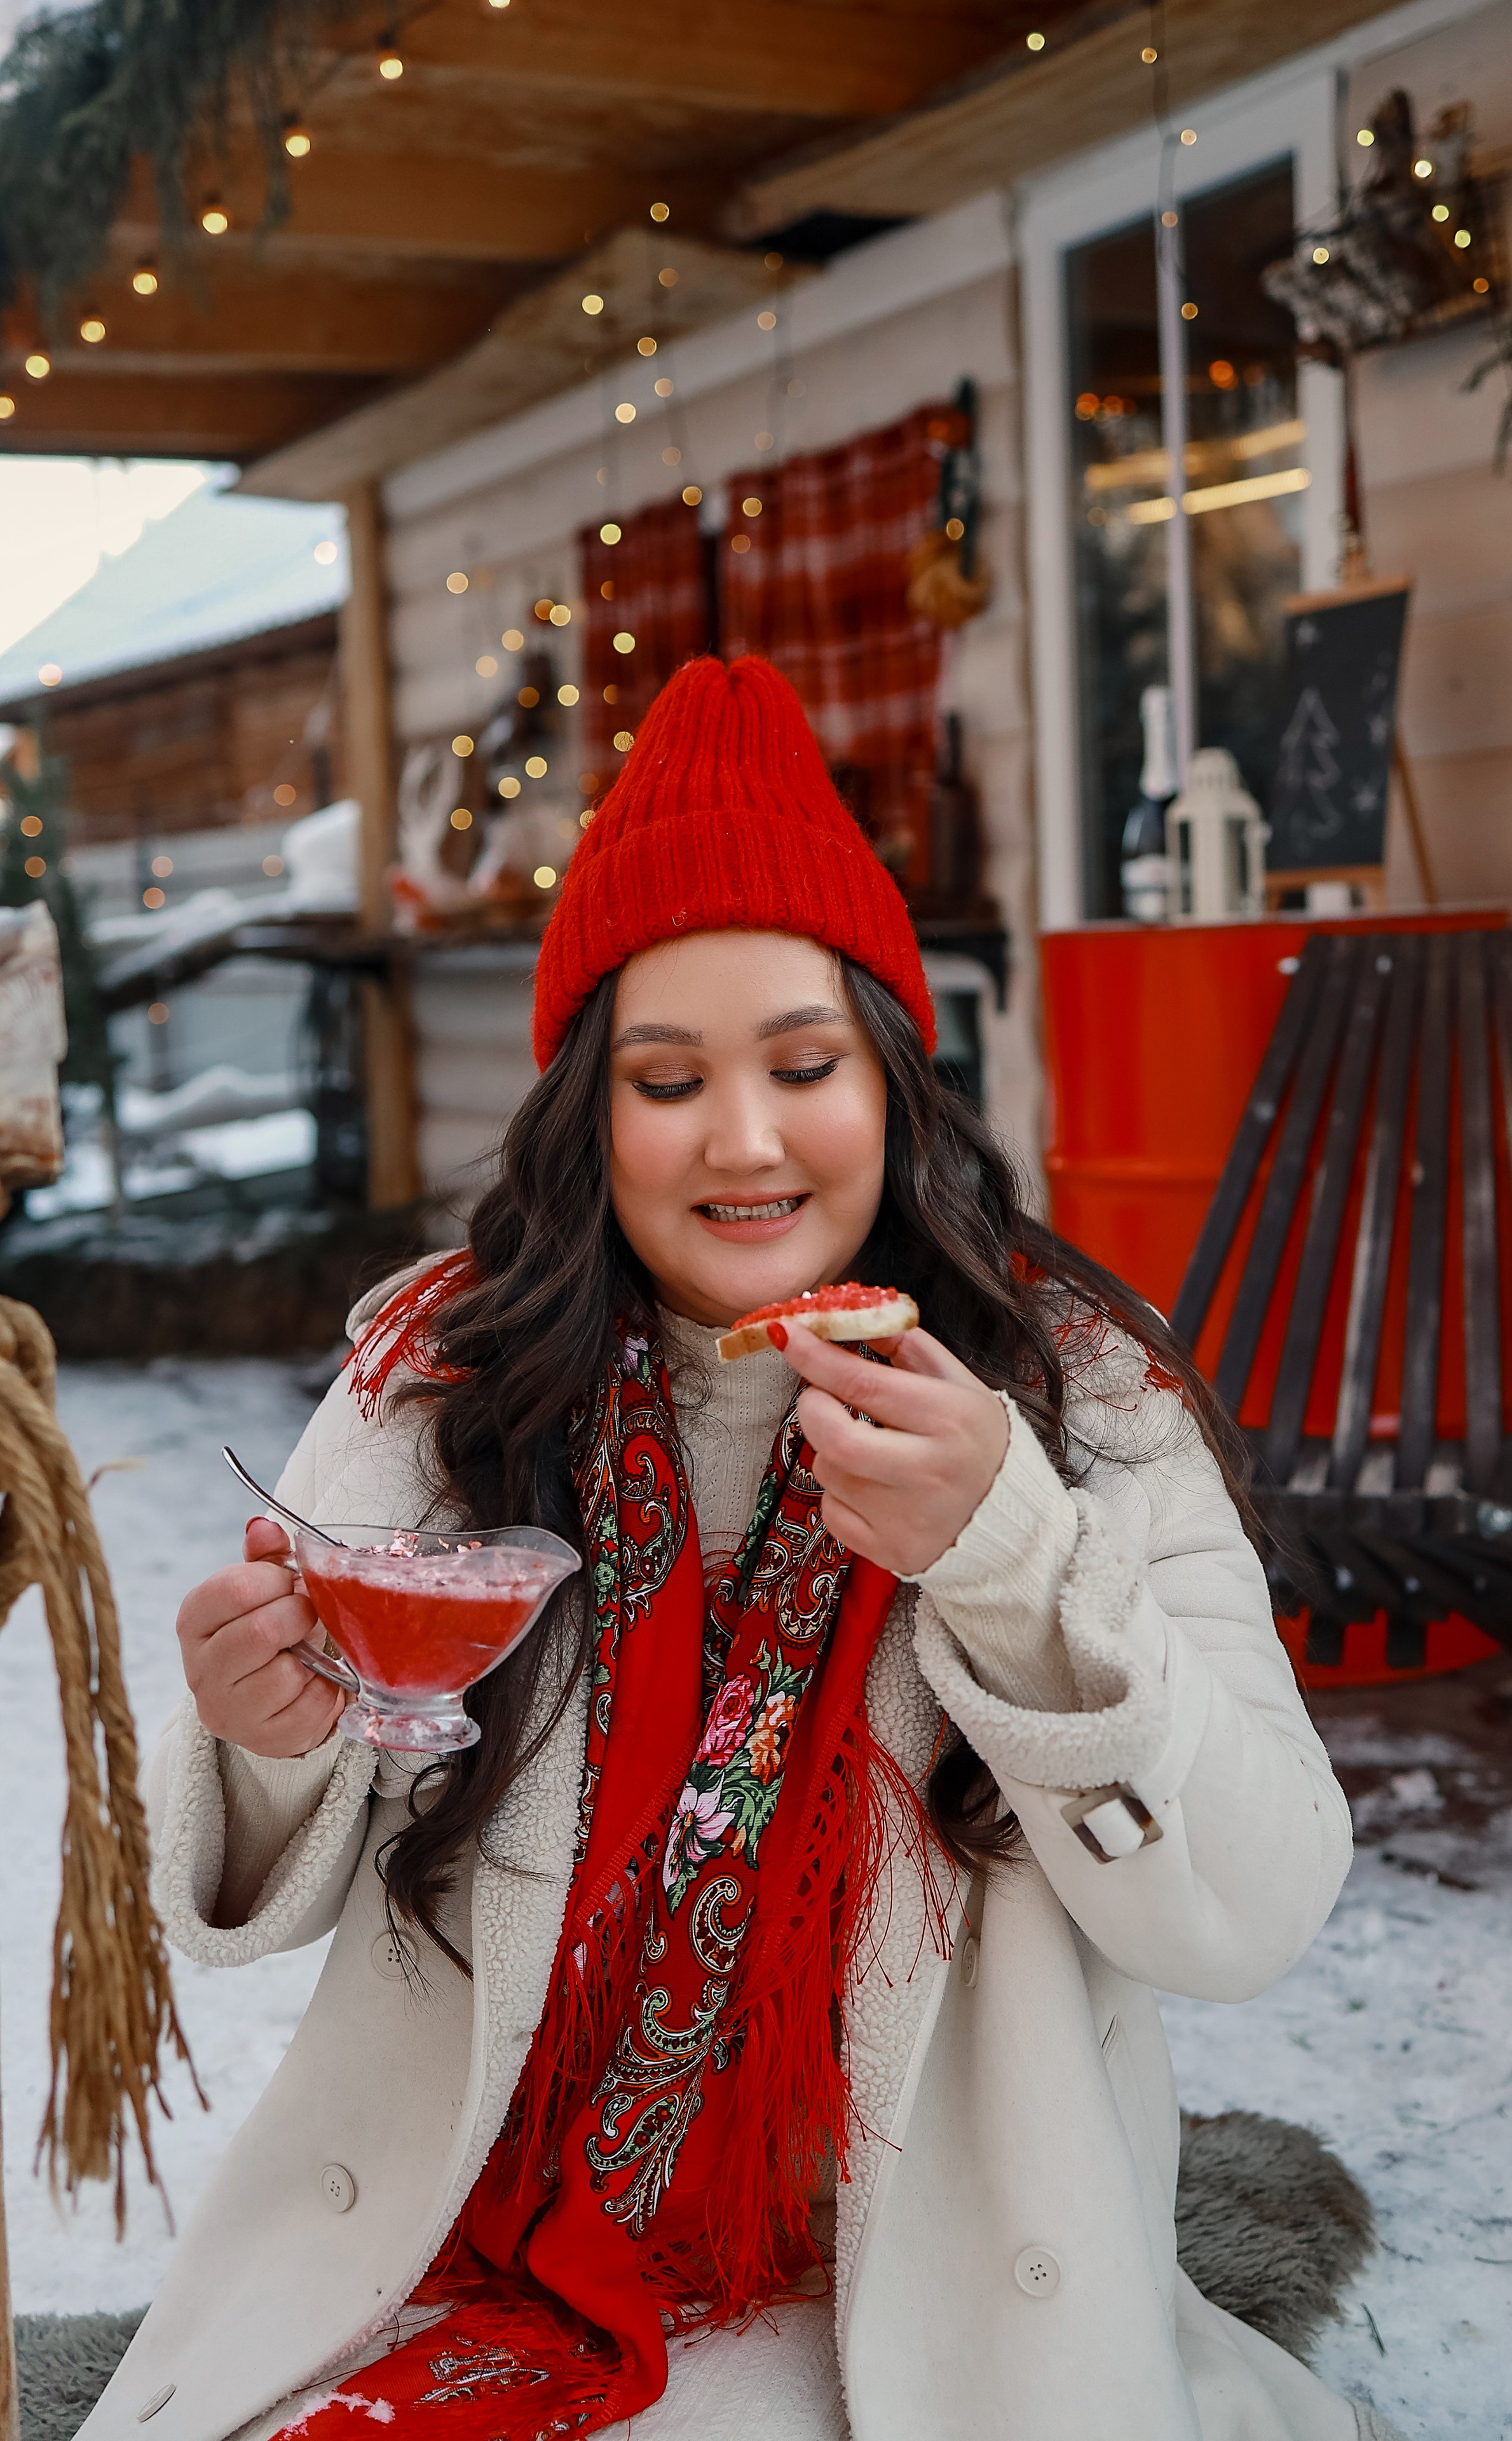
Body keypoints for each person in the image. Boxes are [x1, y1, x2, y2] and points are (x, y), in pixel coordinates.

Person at [88, 657, 1401, 2441]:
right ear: (590, 1112)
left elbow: (1261, 1904)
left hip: (894, 2277)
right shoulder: (446, 1382)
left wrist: (1008, 1554)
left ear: (895, 1078)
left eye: (804, 1064)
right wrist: (266, 1735)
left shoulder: (1075, 1393)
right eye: (667, 1079)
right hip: (466, 2235)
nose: (745, 1140)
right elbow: (257, 1879)